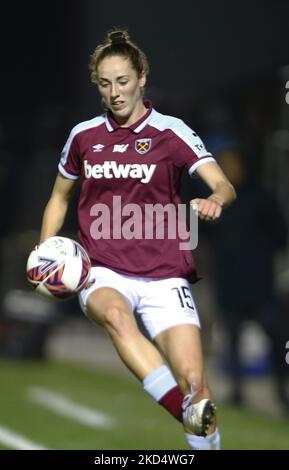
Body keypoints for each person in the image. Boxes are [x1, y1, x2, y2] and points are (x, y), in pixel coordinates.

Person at [39, 29, 236, 450]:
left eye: (123, 81)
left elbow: (223, 184)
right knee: (116, 316)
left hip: (165, 275)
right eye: (105, 84)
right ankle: (180, 408)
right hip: (104, 268)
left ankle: (198, 425)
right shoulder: (84, 136)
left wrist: (215, 199)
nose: (114, 92)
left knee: (197, 386)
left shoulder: (172, 132)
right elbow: (59, 198)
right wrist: (45, 252)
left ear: (142, 77)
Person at [204, 147, 288, 412]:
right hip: (228, 283)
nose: (227, 169)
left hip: (259, 285)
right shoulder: (216, 201)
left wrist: (258, 257)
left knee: (277, 337)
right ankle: (237, 390)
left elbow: (280, 236)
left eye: (231, 164)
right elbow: (206, 234)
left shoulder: (263, 198)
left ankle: (281, 390)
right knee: (232, 340)